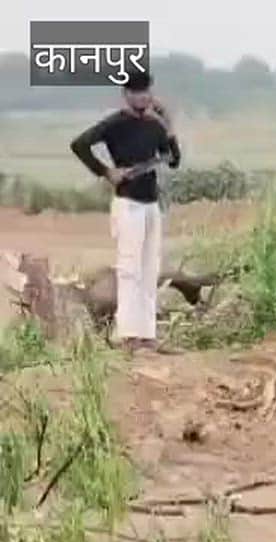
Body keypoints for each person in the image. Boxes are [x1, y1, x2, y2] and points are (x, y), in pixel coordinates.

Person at [70, 70, 181, 354]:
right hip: (127, 203)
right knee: (130, 269)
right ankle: (128, 336)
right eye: (136, 91)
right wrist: (107, 171)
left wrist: (168, 124)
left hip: (151, 205)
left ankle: (147, 335)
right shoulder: (115, 124)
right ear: (126, 94)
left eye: (146, 91)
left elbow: (173, 160)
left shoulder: (155, 127)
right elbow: (79, 145)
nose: (142, 96)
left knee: (149, 268)